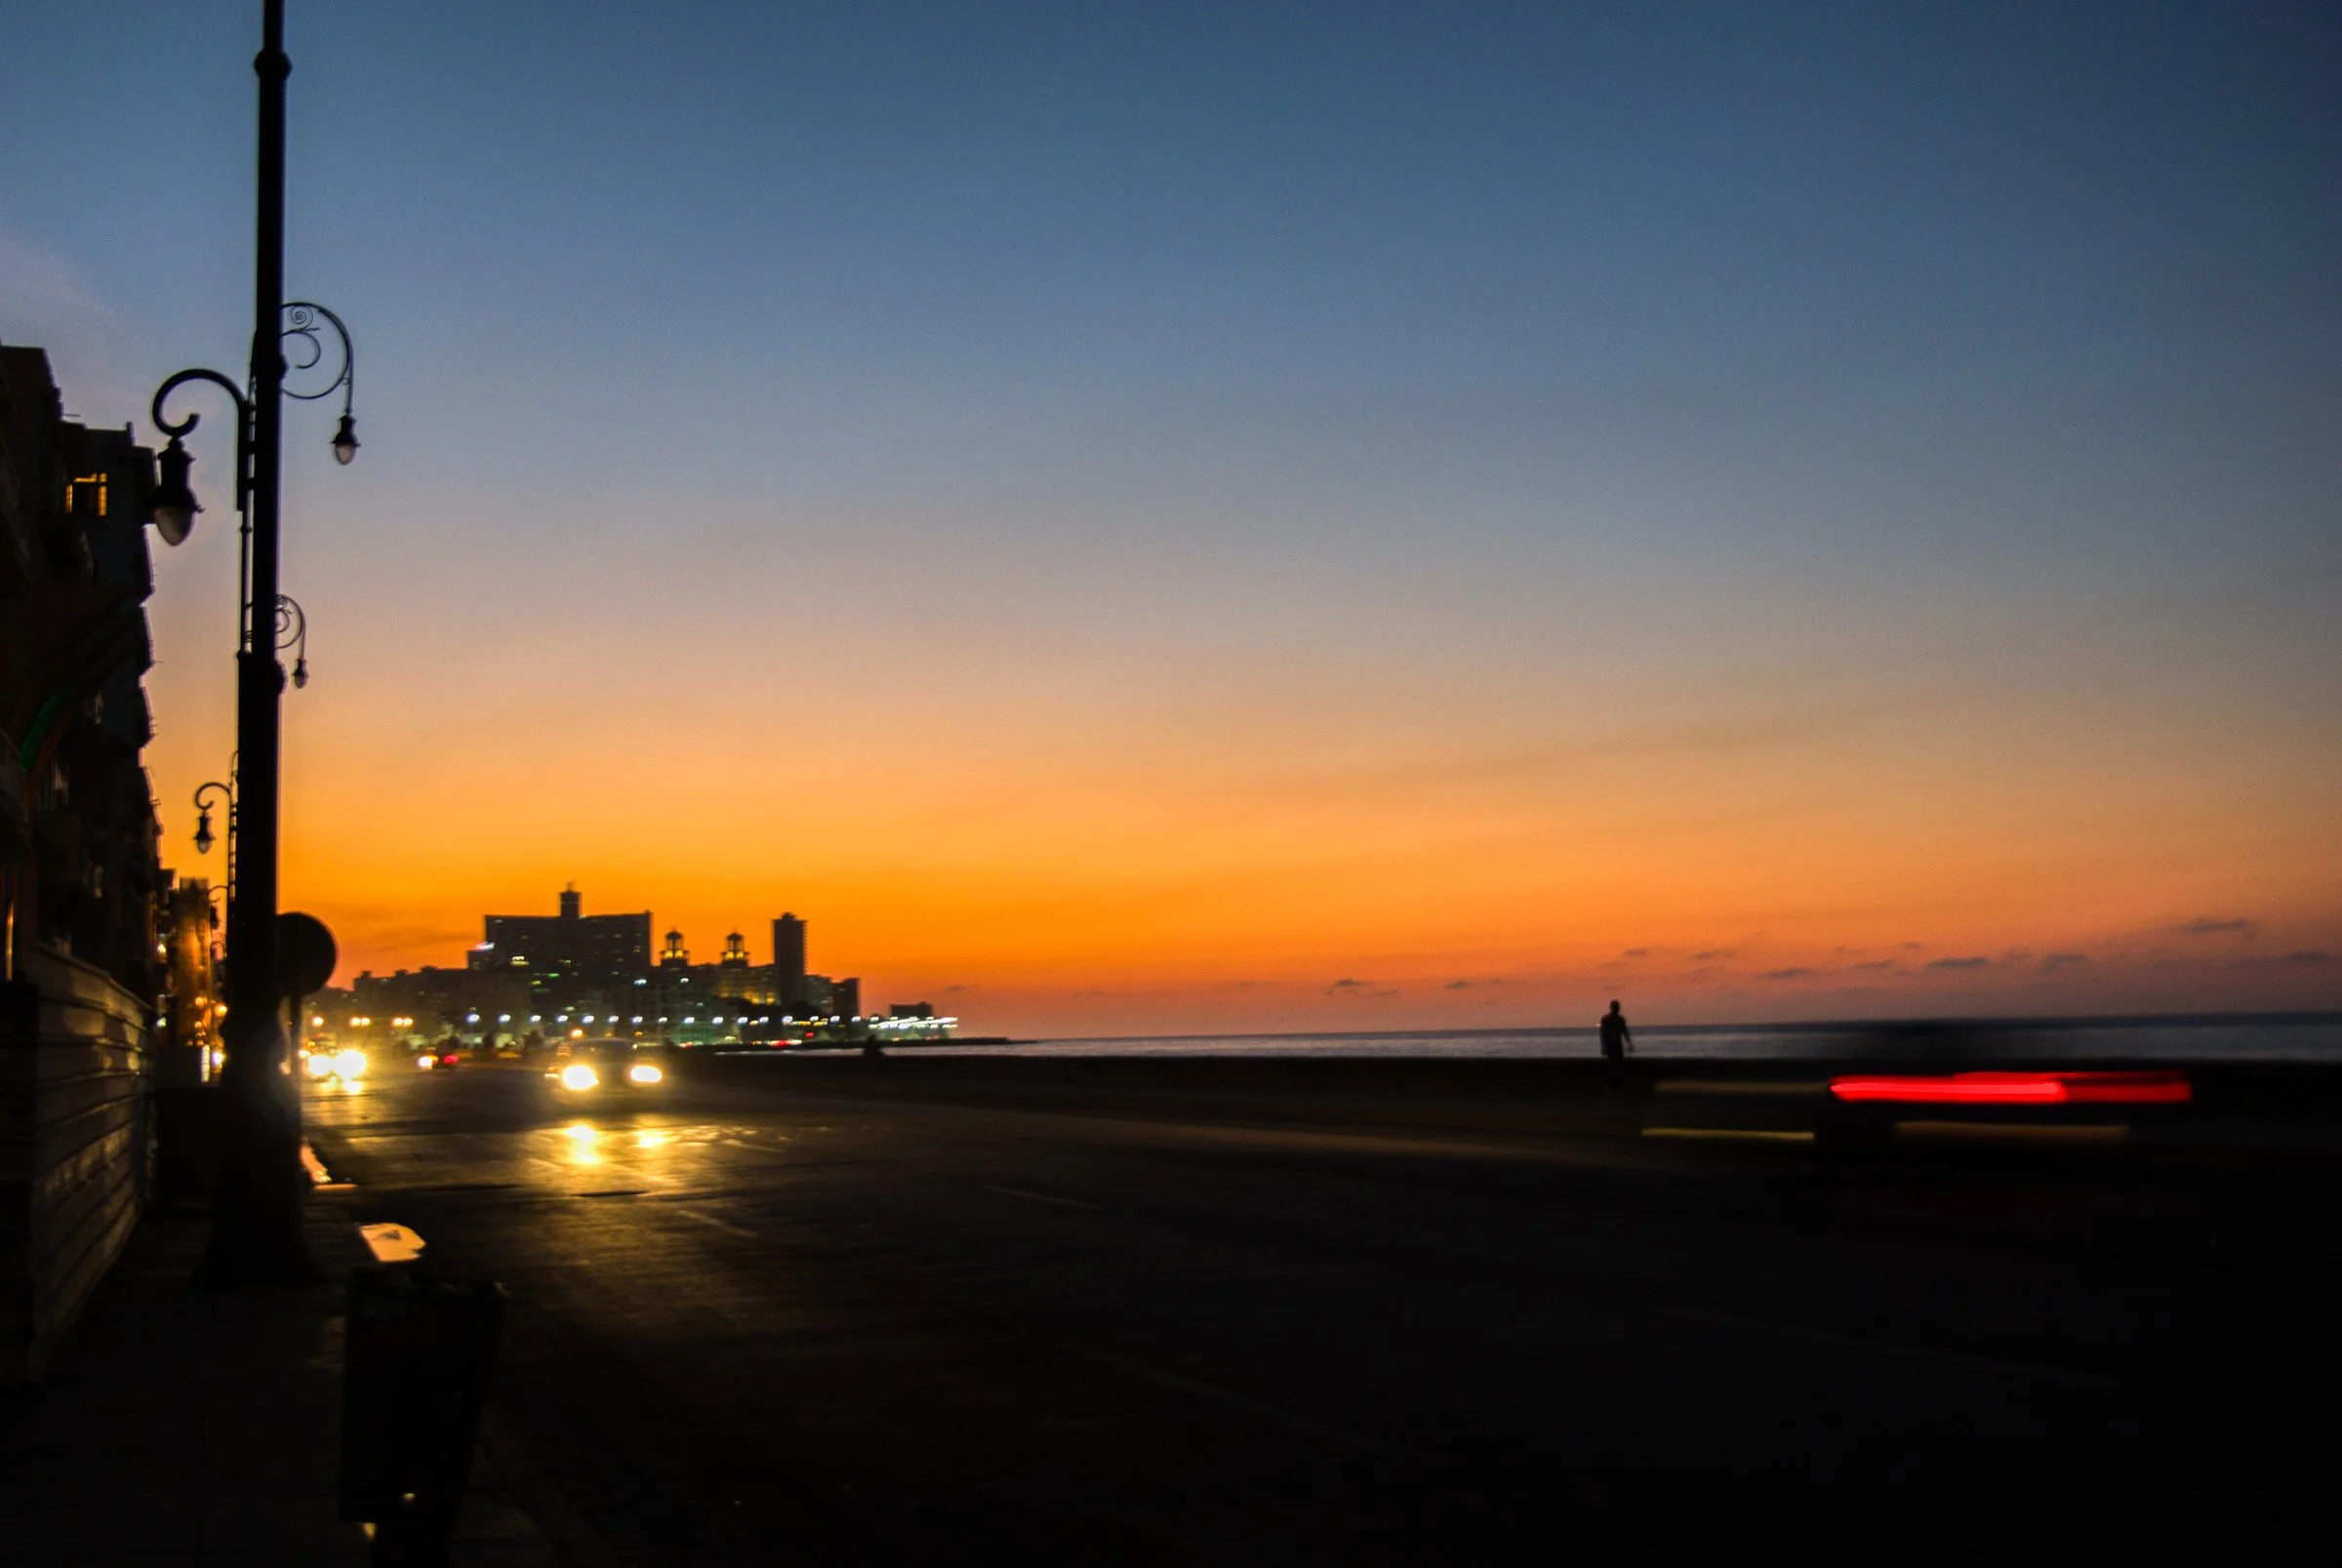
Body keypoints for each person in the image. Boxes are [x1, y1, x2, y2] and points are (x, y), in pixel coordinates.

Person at [1598, 1000, 1633, 1088]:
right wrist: (1603, 1046)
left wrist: (1629, 1044)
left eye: (1617, 1007)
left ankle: (1616, 1083)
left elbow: (1625, 1032)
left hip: (1616, 1044)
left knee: (1617, 1065)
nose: (1617, 1008)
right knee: (1613, 1065)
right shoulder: (1607, 1019)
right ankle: (1614, 1083)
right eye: (1616, 1007)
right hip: (1612, 1045)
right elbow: (1603, 1033)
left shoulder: (1618, 1019)